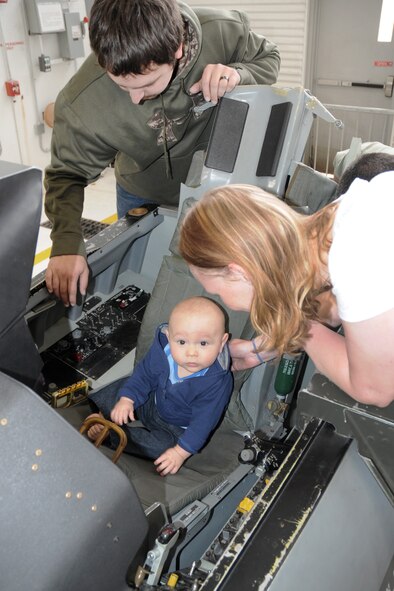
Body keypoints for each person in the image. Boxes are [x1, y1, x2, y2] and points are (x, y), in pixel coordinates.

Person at [44, 0, 280, 307]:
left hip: (215, 190)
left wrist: (238, 74)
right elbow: (66, 174)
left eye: (148, 83)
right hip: (141, 194)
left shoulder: (223, 30)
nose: (136, 98)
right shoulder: (82, 102)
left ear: (178, 48)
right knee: (143, 286)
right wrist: (65, 242)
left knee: (216, 287)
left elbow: (269, 57)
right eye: (121, 85)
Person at [178, 179, 394, 408]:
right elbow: (344, 309)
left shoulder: (357, 249)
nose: (224, 302)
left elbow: (374, 389)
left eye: (218, 293)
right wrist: (261, 348)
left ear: (239, 272)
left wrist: (294, 325)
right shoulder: (348, 215)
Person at [86, 296, 233, 475]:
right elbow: (144, 376)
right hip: (152, 401)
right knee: (127, 388)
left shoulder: (217, 382)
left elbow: (203, 424)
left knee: (160, 449)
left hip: (177, 427)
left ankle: (112, 435)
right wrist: (127, 400)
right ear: (169, 337)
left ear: (222, 343)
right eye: (181, 342)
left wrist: (179, 453)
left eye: (203, 343)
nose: (192, 353)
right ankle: (104, 414)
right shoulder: (164, 352)